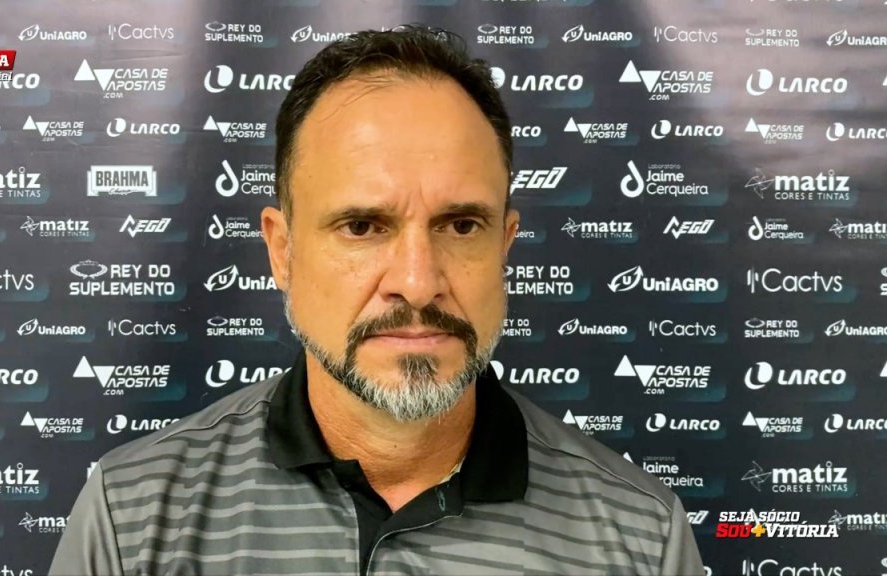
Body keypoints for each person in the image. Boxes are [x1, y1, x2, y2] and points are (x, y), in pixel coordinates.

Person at [50, 25, 705, 576]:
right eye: (363, 226)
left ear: (505, 245)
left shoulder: (641, 539)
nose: (417, 283)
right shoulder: (131, 519)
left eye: (461, 225)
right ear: (282, 252)